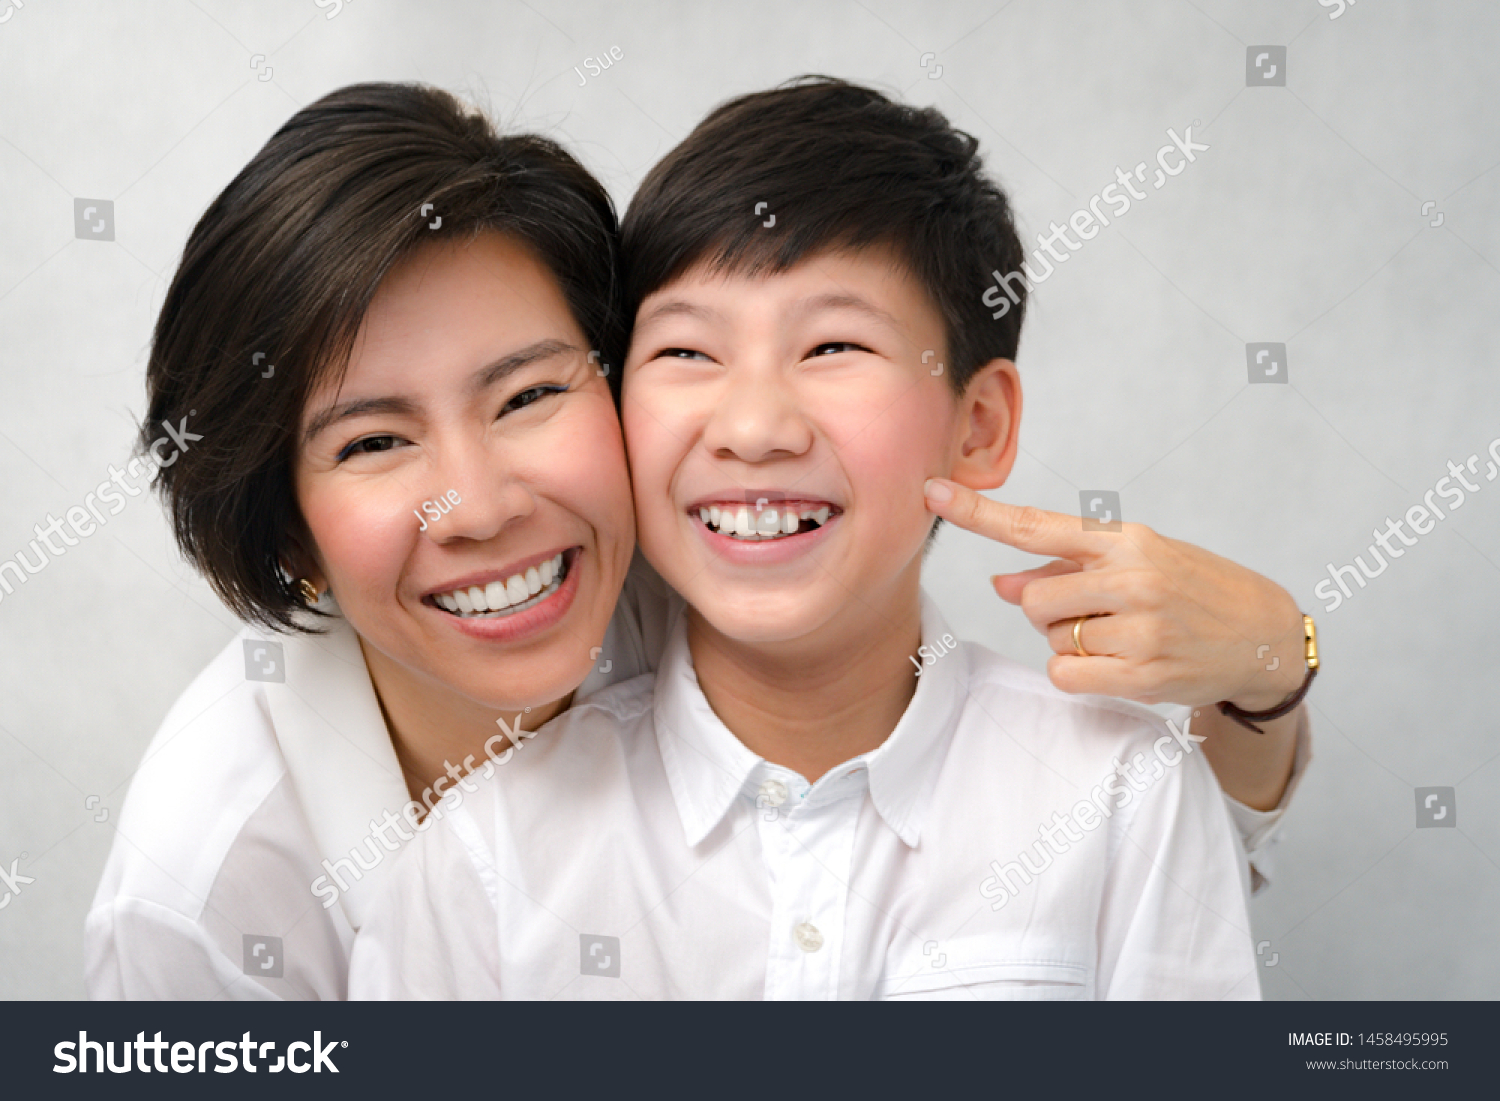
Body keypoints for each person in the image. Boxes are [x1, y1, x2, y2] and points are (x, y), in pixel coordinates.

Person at [89, 81, 1309, 1001]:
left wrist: (1271, 673)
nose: (482, 506)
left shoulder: (705, 568)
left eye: (527, 397)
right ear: (286, 533)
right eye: (370, 444)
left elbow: (1107, 848)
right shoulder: (208, 876)